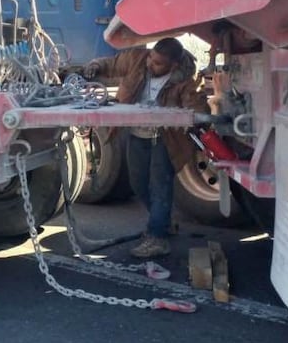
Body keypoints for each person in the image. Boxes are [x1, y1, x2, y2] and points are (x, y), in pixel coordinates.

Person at [82, 37, 209, 258]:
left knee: (160, 186)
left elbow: (196, 104)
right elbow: (113, 64)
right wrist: (96, 65)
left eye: (158, 63)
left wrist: (198, 116)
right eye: (151, 58)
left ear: (174, 65)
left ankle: (157, 237)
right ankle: (162, 223)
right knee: (138, 183)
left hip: (165, 138)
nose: (150, 64)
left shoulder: (186, 80)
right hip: (136, 134)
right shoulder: (137, 59)